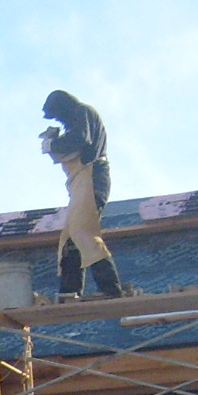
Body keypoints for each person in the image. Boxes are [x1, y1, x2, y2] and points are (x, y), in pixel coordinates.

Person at [39, 90, 125, 300]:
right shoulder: (79, 116)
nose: (59, 120)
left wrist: (53, 144)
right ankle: (69, 291)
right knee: (70, 238)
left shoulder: (81, 112)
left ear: (63, 107)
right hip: (82, 180)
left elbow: (79, 140)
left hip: (92, 175)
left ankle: (110, 288)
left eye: (57, 115)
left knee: (82, 231)